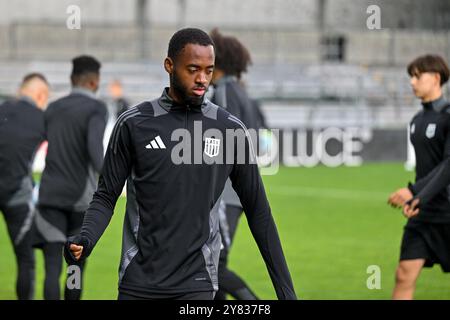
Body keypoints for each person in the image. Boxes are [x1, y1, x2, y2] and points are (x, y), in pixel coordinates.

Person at [64, 28, 297, 300]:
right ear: (169, 66)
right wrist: (86, 237)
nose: (202, 79)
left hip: (196, 283)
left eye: (209, 71)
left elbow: (259, 212)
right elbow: (105, 196)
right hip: (138, 282)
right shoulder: (133, 123)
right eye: (193, 69)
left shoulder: (230, 130)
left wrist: (286, 293)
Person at [33, 56, 107, 300]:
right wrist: (112, 179)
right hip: (80, 201)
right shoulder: (96, 108)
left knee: (52, 269)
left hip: (49, 197)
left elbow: (35, 145)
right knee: (74, 268)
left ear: (71, 79)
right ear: (94, 82)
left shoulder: (53, 108)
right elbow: (96, 152)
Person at [388, 54, 450, 300]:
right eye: (410, 77)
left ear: (436, 78)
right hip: (422, 212)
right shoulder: (416, 120)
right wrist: (419, 197)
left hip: (447, 211)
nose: (412, 82)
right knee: (404, 273)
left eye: (417, 76)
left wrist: (414, 192)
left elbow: (448, 164)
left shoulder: (448, 116)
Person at [209, 28, 261, 300]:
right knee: (214, 265)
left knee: (212, 265)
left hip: (225, 191)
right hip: (238, 190)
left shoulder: (225, 91)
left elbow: (224, 136)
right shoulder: (243, 93)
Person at [0, 73, 49, 300]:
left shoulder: (3, 108)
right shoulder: (41, 119)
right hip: (17, 196)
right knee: (25, 260)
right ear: (41, 96)